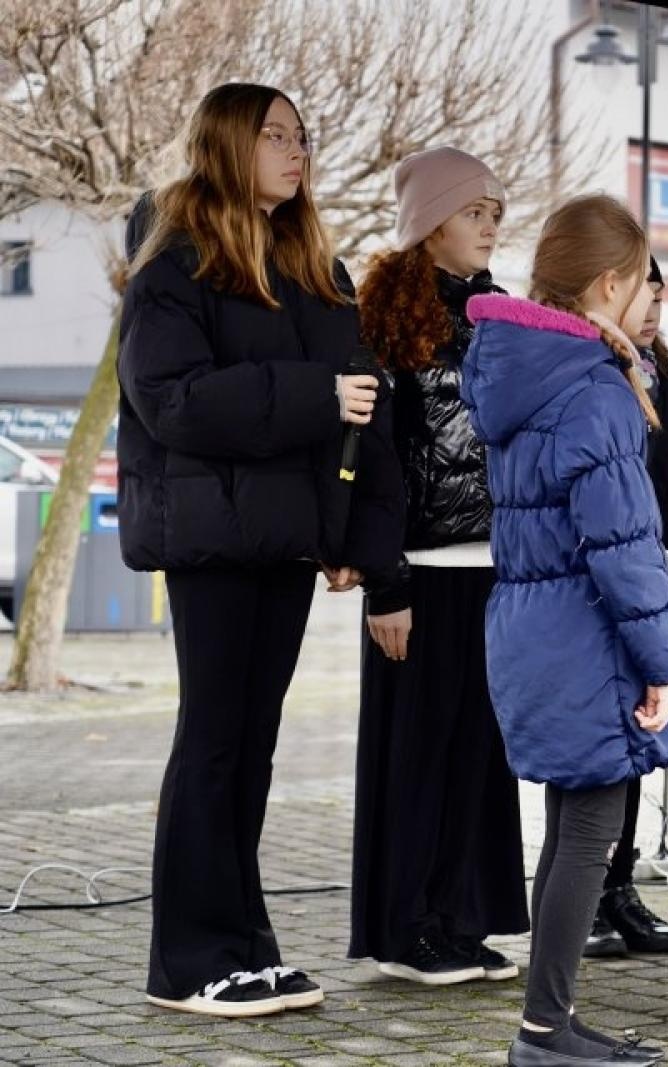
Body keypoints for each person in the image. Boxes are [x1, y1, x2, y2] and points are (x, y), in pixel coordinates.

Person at [119, 83, 404, 1017]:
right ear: (226, 145)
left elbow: (359, 407)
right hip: (210, 540)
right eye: (273, 134)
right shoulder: (173, 268)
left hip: (283, 539)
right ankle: (187, 961)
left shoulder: (312, 268)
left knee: (252, 748)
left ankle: (243, 944)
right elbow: (177, 402)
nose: (296, 149)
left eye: (301, 133)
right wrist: (313, 394)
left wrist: (354, 537)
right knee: (212, 744)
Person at [460, 192, 668, 1066]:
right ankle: (542, 1031)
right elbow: (626, 548)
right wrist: (665, 661)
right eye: (643, 283)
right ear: (607, 284)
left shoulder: (525, 372)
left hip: (537, 621)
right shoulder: (594, 389)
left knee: (572, 827)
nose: (650, 302)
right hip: (590, 631)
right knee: (589, 832)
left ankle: (549, 1021)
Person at [348, 147, 528, 985]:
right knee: (415, 751)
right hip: (418, 567)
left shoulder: (503, 312)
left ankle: (459, 916)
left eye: (496, 211)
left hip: (494, 563)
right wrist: (386, 580)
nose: (491, 224)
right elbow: (374, 456)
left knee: (478, 751)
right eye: (473, 212)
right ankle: (406, 925)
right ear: (429, 224)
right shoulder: (381, 314)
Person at [585, 257, 668, 960]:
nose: (651, 302)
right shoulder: (593, 374)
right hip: (609, 583)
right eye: (637, 288)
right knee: (602, 740)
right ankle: (585, 888)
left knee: (646, 740)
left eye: (659, 289)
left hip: (665, 577)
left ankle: (621, 881)